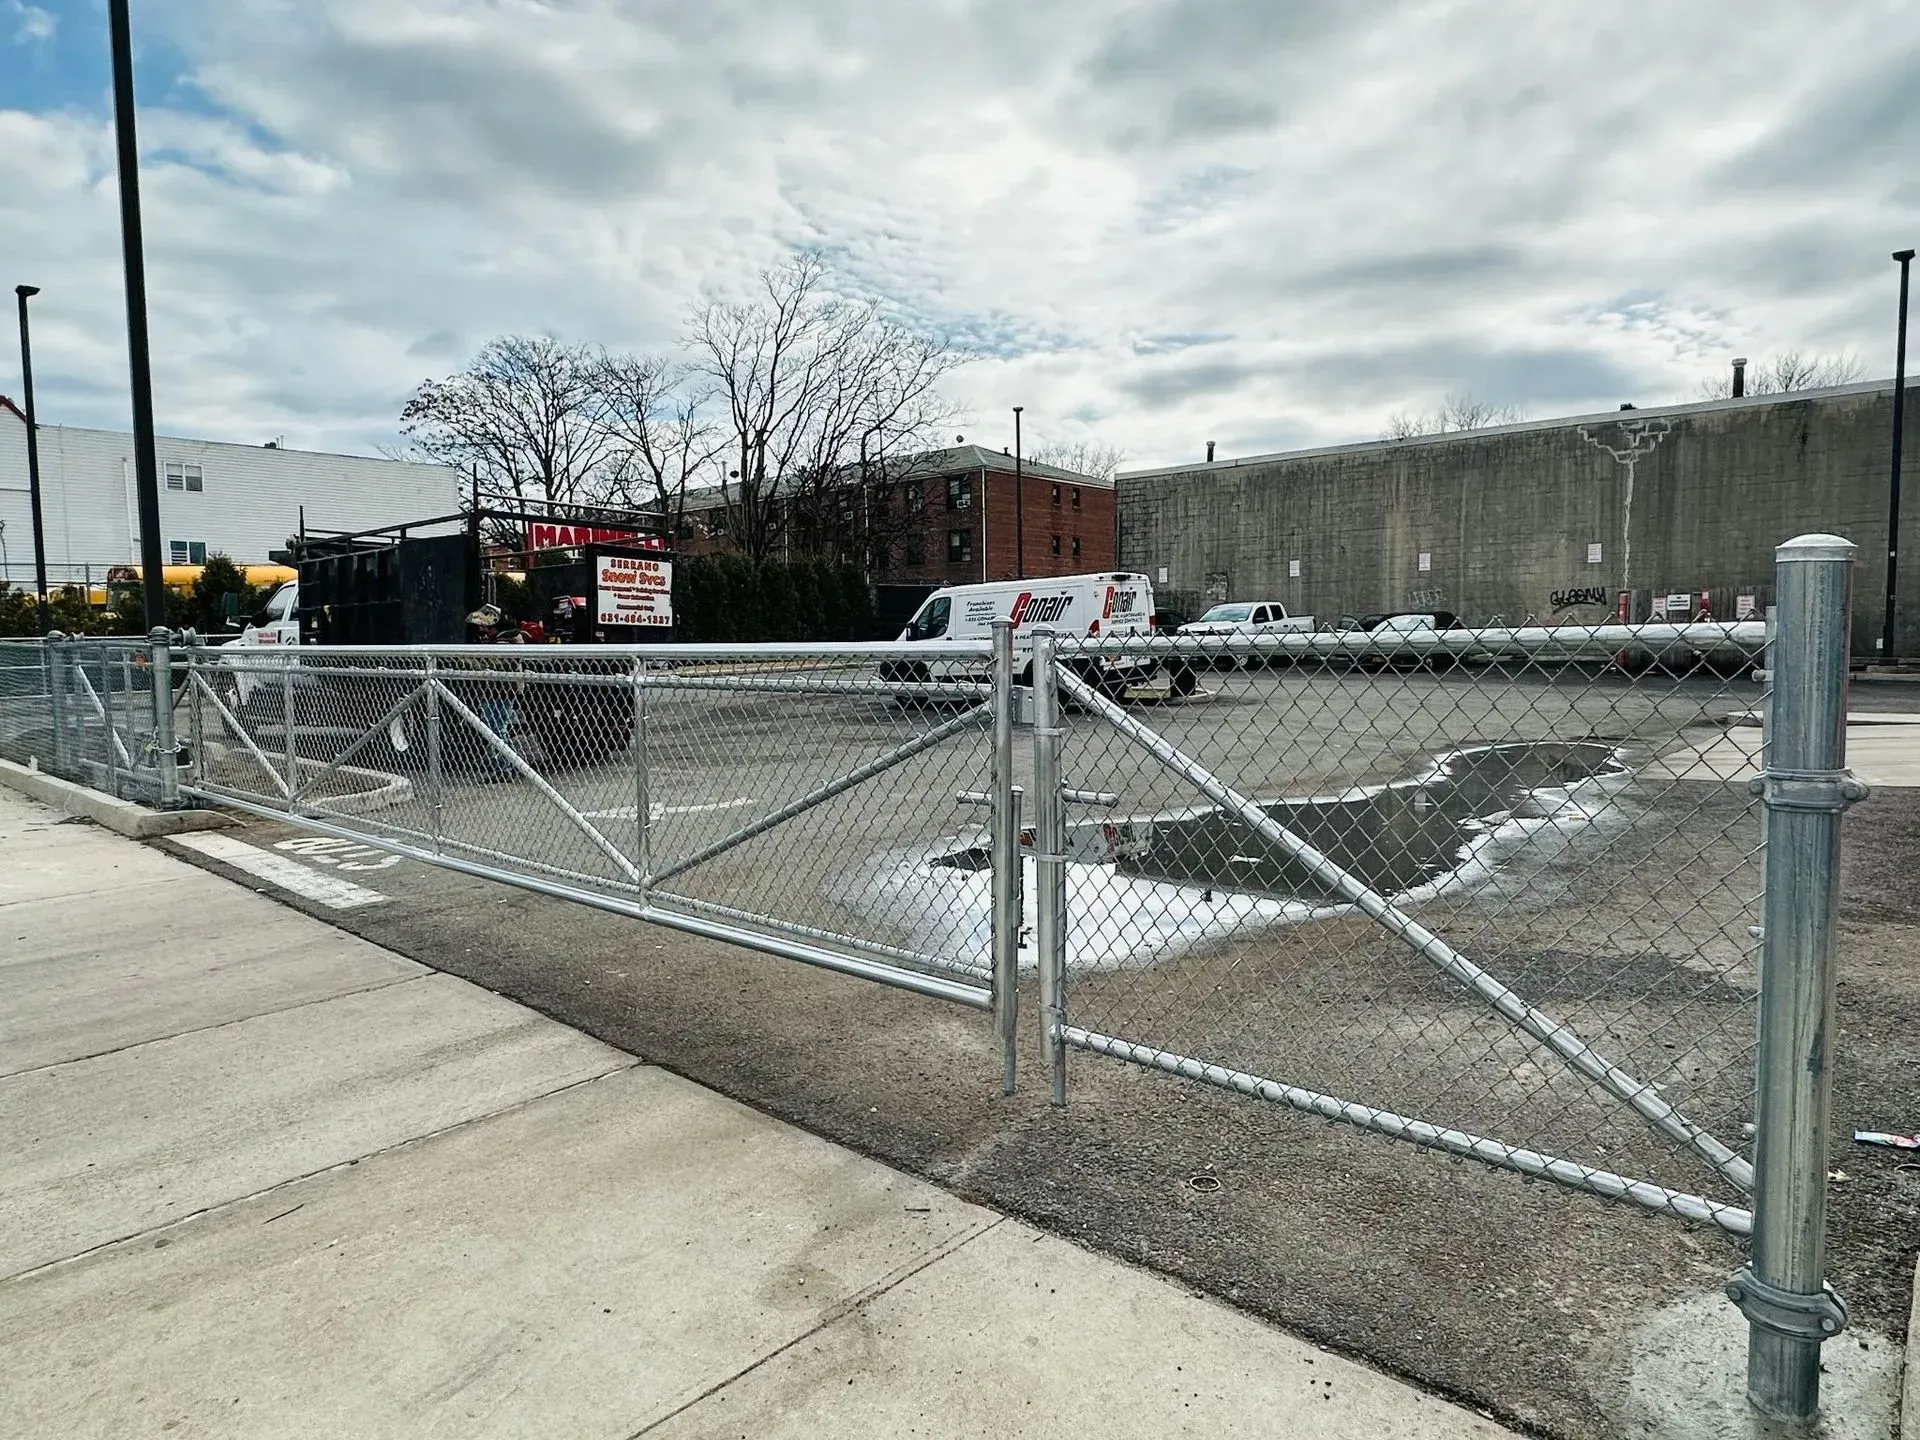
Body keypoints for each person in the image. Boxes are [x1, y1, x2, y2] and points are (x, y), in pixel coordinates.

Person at [464, 604, 525, 781]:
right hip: (503, 690)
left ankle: (504, 769)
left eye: (486, 627)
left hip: (500, 690)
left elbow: (491, 665)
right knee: (498, 729)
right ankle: (507, 766)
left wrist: (466, 661)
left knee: (496, 730)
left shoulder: (504, 643)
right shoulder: (509, 639)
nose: (483, 631)